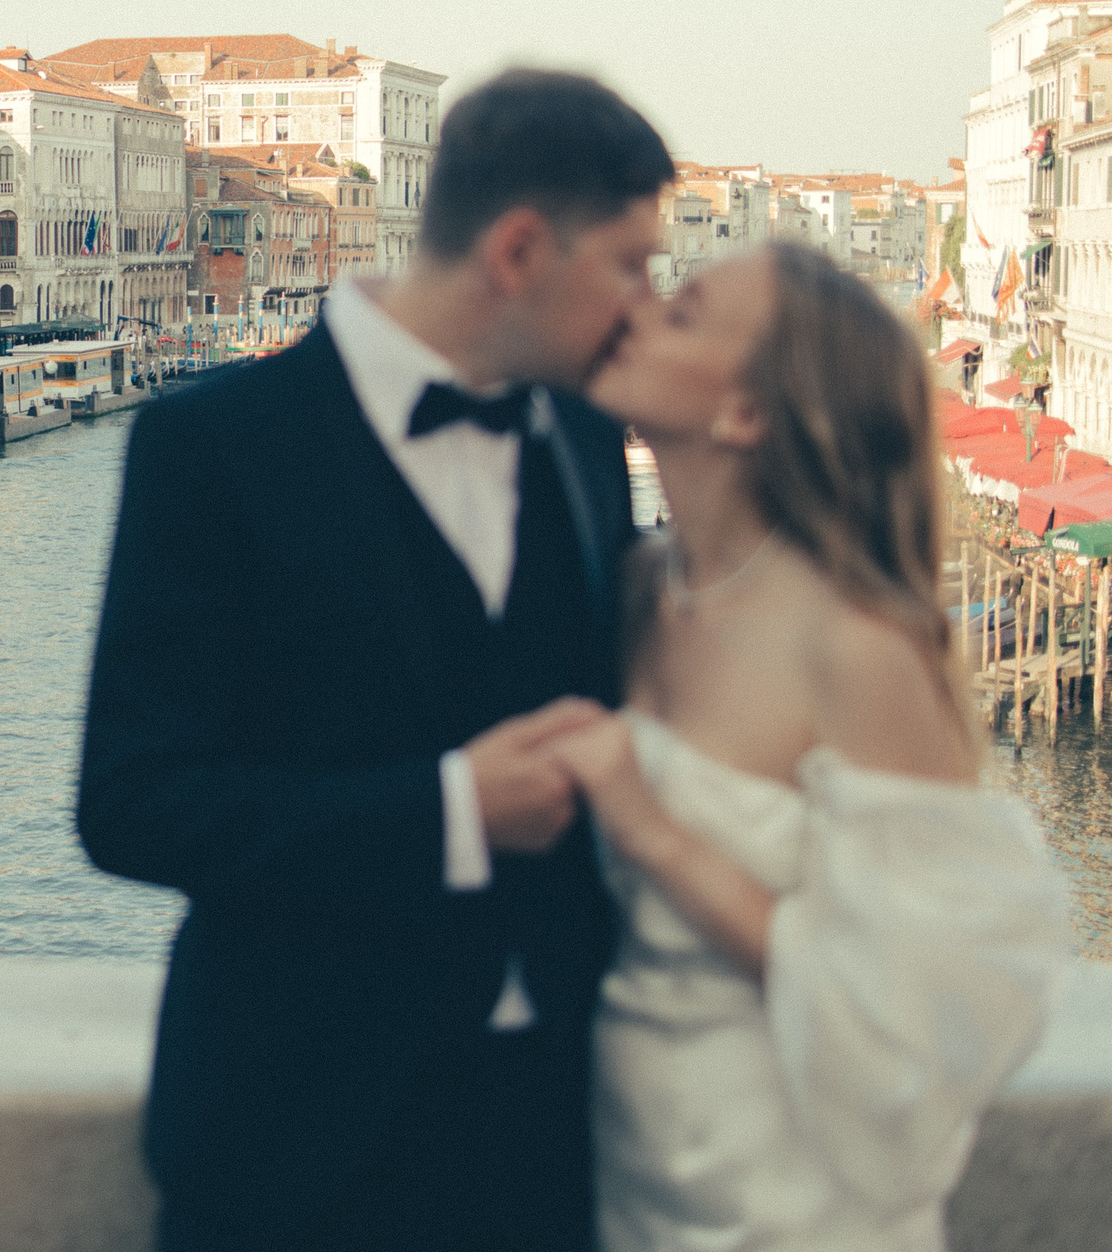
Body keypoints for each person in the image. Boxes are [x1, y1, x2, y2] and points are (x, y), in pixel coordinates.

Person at [78, 69, 673, 1252]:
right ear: (516, 251)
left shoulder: (584, 437)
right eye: (628, 265)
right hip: (289, 1147)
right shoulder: (210, 448)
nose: (644, 310)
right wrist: (450, 811)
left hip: (550, 1145)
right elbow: (132, 804)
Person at [558, 242, 1070, 1251]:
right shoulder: (629, 588)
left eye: (685, 312)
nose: (639, 311)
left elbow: (905, 994)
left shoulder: (856, 645)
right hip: (632, 1170)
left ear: (745, 413)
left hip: (791, 1197)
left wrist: (649, 827)